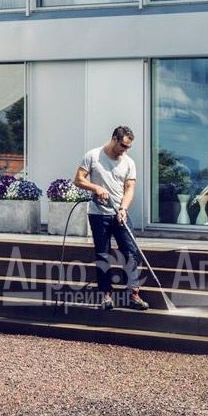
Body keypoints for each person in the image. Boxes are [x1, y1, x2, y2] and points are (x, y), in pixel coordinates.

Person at [74, 126, 150, 311]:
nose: (125, 150)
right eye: (123, 145)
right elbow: (78, 179)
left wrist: (123, 208)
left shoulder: (129, 163)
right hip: (98, 214)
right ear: (114, 139)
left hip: (119, 214)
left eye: (128, 147)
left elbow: (129, 189)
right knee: (103, 254)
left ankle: (133, 294)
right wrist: (96, 188)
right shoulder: (93, 156)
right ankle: (106, 296)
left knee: (130, 252)